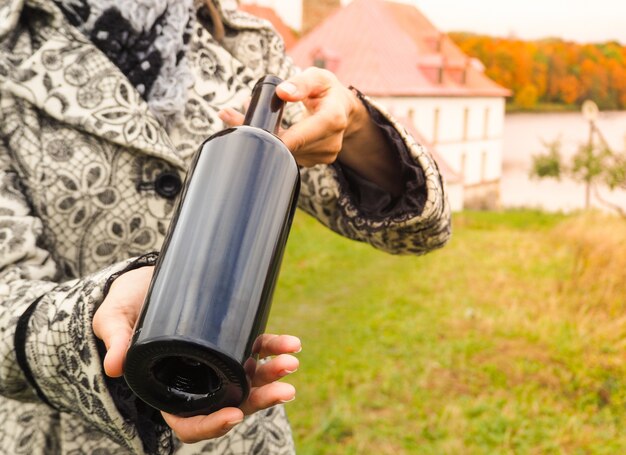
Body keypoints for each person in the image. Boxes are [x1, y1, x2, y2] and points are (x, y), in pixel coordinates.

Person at [0, 0, 451, 453]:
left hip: (242, 435)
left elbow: (420, 232)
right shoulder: (10, 44)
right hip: (68, 436)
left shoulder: (236, 40)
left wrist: (353, 128)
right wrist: (93, 317)